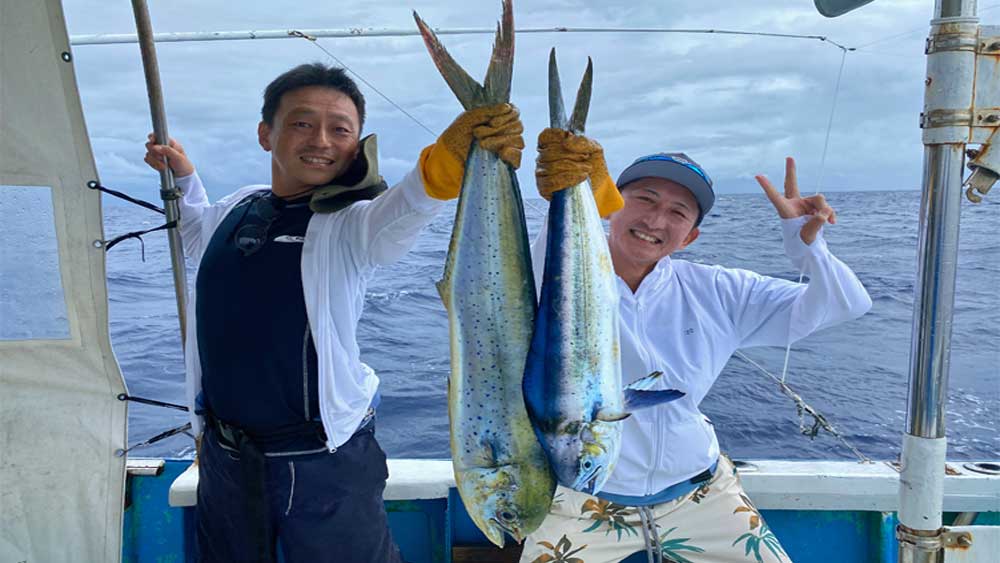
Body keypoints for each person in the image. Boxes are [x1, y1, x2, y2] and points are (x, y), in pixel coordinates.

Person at [142, 62, 524, 563]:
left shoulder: (351, 225)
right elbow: (194, 233)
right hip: (225, 457)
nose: (321, 139)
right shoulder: (239, 207)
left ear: (357, 141)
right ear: (266, 134)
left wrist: (445, 164)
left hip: (325, 463)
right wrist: (186, 177)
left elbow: (408, 206)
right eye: (302, 123)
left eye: (340, 129)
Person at [518, 129, 873, 563]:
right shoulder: (549, 276)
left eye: (677, 212)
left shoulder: (720, 290)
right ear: (610, 205)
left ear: (690, 238)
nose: (655, 220)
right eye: (645, 199)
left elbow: (846, 304)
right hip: (581, 498)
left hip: (702, 492)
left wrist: (807, 246)